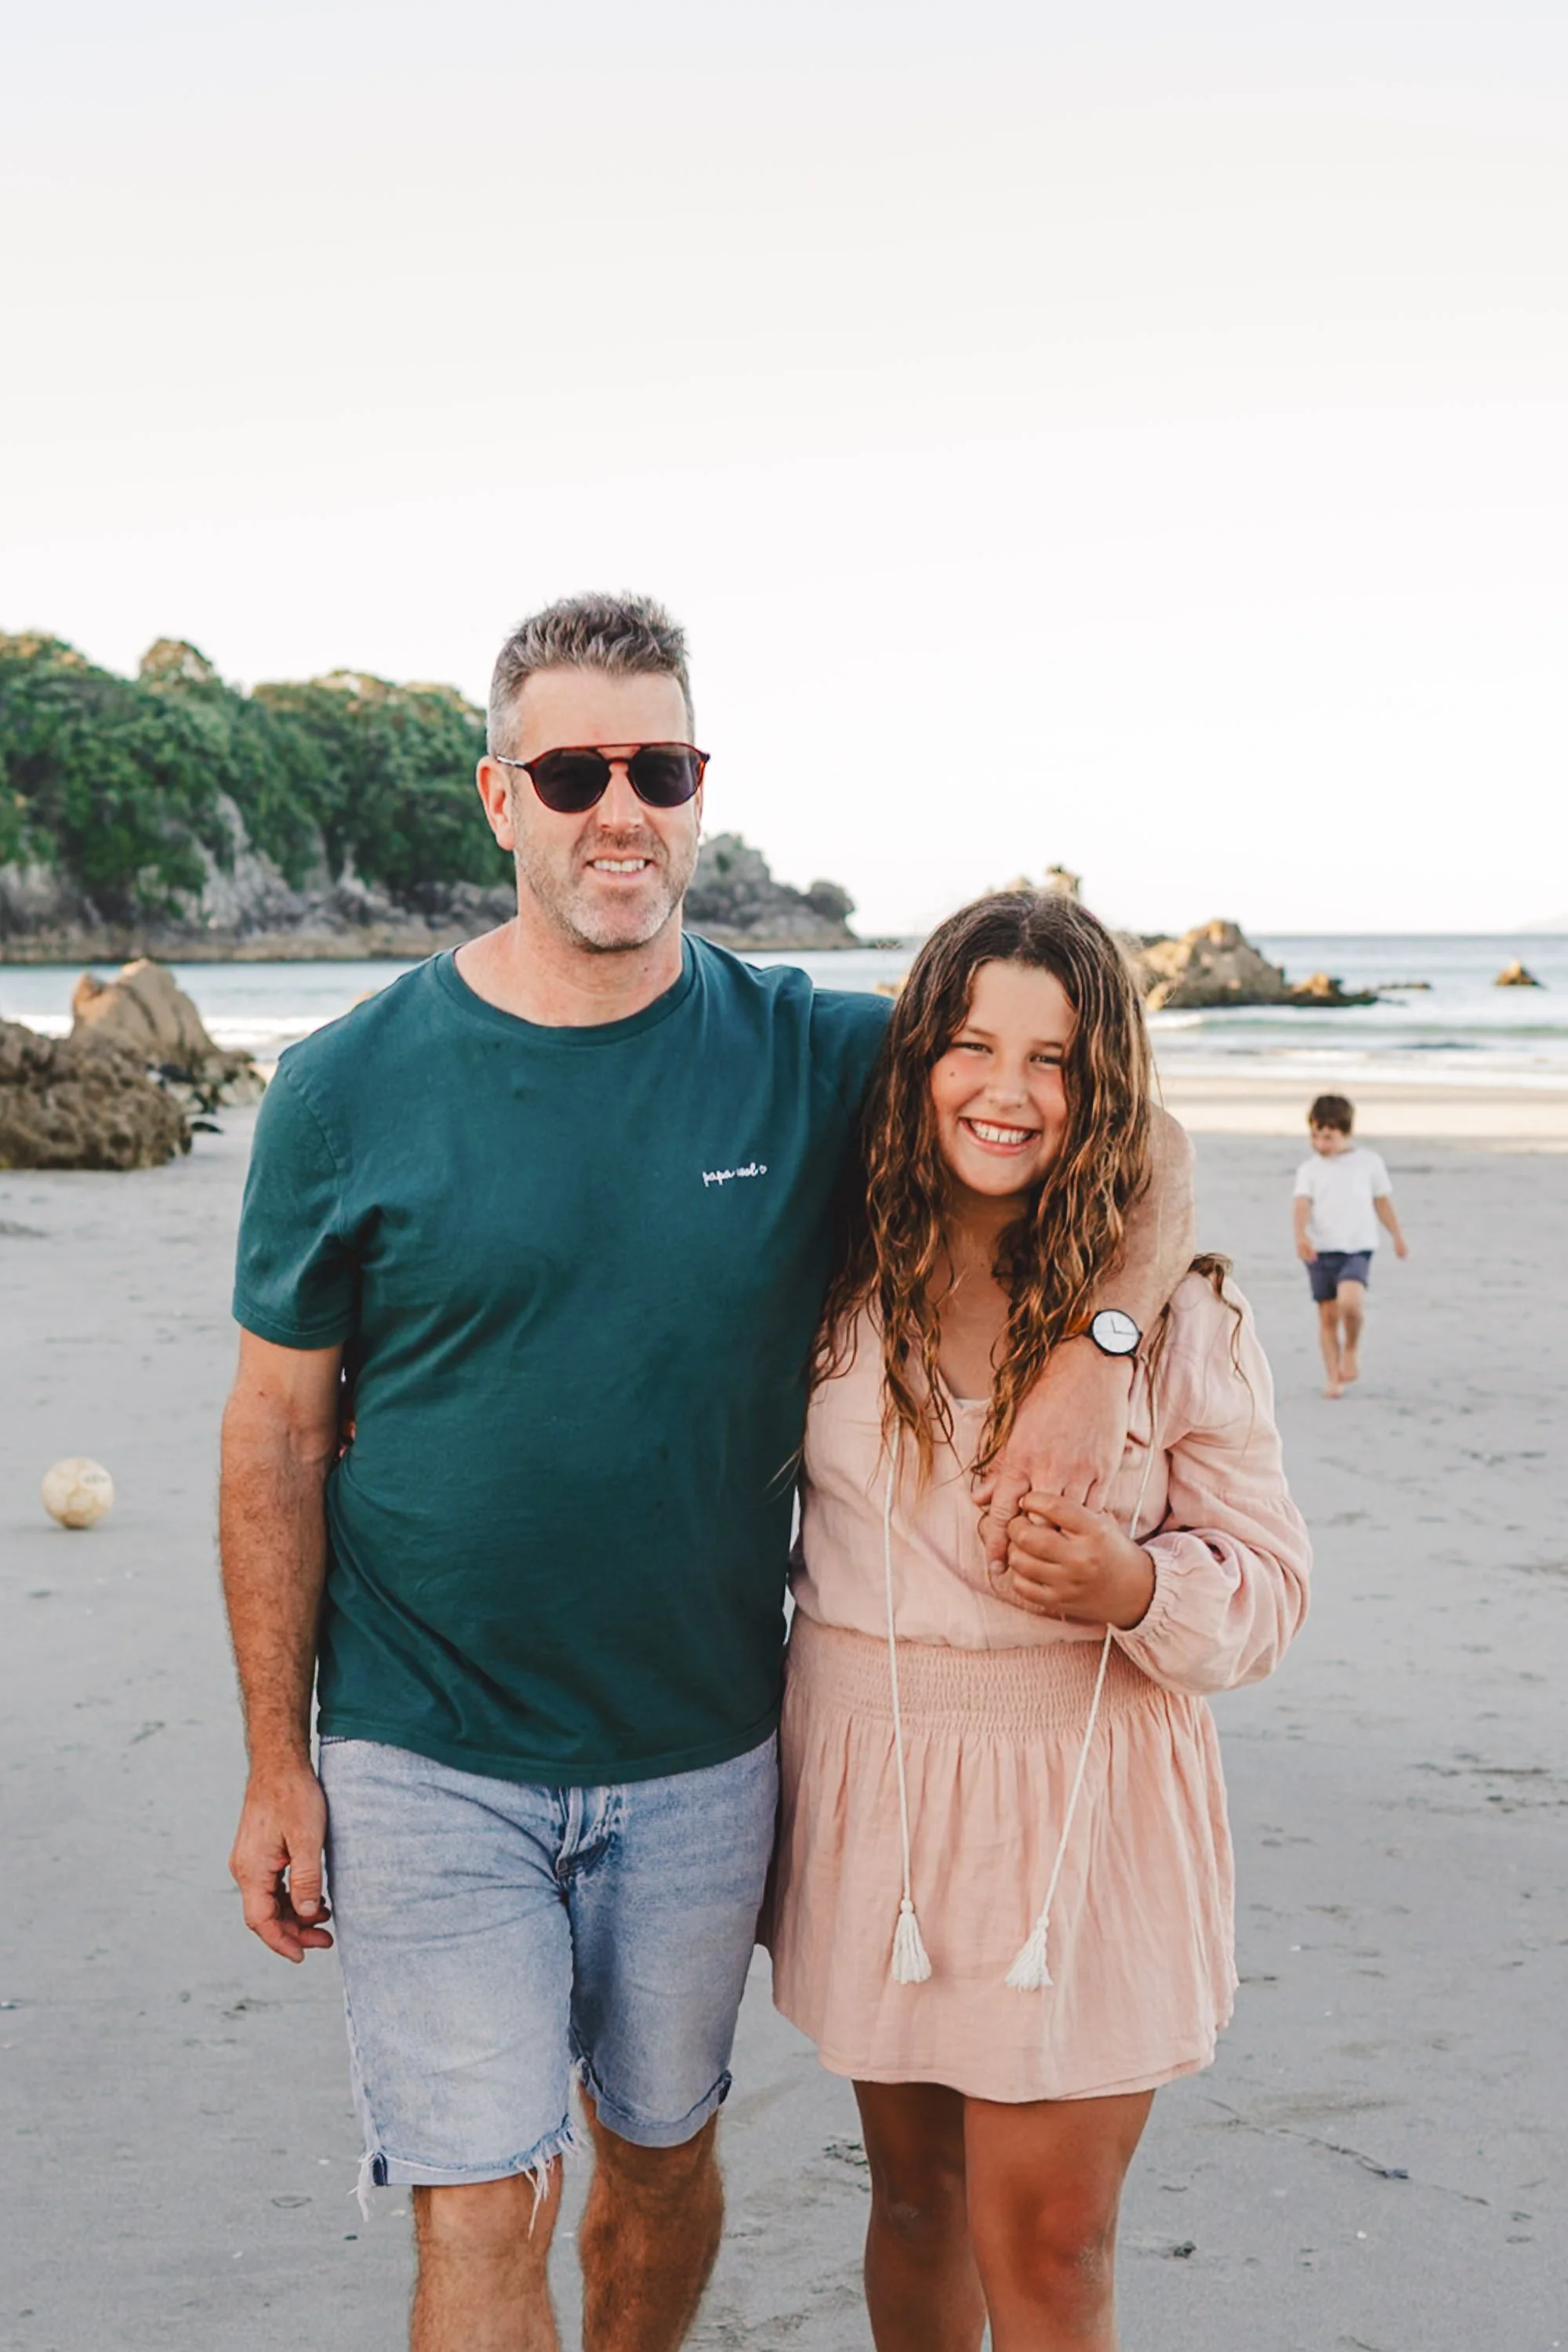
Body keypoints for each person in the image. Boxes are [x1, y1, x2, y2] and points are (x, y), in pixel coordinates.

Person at [219, 593, 1197, 2352]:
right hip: (423, 1748)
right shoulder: (344, 1090)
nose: (620, 806)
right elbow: (277, 1436)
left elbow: (1128, 1124)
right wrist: (272, 1765)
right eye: (574, 768)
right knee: (483, 2195)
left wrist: (1092, 1358)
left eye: (655, 766)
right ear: (498, 796)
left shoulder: (813, 1055)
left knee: (659, 2164)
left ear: (696, 790)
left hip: (704, 1754)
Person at [767, 891, 1310, 2352]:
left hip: (1087, 1801)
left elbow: (1269, 1590)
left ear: (1107, 1085)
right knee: (919, 2208)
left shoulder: (1179, 1312)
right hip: (880, 1789)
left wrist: (1131, 1589)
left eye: (1056, 1059)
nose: (1007, 1092)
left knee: (1056, 2244)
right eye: (969, 1044)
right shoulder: (832, 1275)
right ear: (916, 1058)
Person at [1292, 1091, 1408, 1399]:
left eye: (1327, 1136)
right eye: (1315, 1135)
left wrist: (1396, 1234)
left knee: (1351, 1302)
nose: (1320, 1143)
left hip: (1357, 1246)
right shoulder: (1309, 1170)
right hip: (1320, 1248)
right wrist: (1301, 1235)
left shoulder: (1369, 1163)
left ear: (1346, 1133)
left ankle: (1352, 1348)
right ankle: (1334, 1378)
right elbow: (1301, 1205)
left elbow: (1381, 1201)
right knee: (1327, 1316)